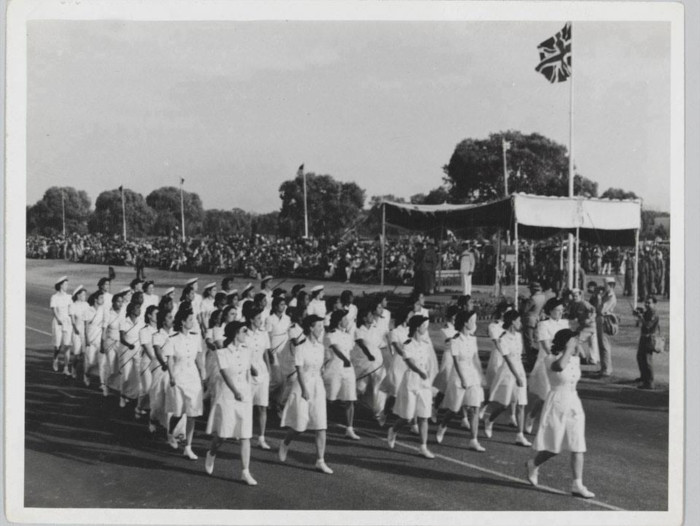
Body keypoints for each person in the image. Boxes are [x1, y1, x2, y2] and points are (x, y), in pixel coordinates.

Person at [526, 329, 594, 499]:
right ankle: (533, 464)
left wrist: (582, 340)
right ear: (565, 342)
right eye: (572, 341)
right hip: (556, 402)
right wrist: (570, 348)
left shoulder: (575, 359)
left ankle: (577, 484)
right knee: (554, 447)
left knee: (578, 444)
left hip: (573, 402)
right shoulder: (550, 358)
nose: (575, 343)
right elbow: (559, 367)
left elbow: (590, 360)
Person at [279, 314, 334, 474]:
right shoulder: (301, 347)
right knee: (299, 425)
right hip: (303, 386)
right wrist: (304, 389)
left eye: (322, 326)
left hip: (317, 385)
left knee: (321, 425)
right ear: (310, 327)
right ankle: (285, 443)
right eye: (318, 326)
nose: (321, 329)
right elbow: (299, 369)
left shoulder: (321, 347)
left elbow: (321, 368)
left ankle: (320, 460)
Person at [204, 321, 258, 486]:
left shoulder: (247, 351)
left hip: (245, 396)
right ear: (235, 333)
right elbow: (225, 374)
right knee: (222, 434)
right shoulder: (222, 353)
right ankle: (211, 453)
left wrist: (249, 392)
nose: (246, 334)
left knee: (245, 435)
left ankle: (245, 472)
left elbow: (249, 373)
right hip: (228, 395)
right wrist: (235, 392)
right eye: (244, 331)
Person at [387, 315, 437, 459]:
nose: (425, 328)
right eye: (423, 326)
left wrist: (427, 376)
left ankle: (423, 447)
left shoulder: (426, 345)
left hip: (424, 383)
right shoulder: (408, 344)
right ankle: (393, 430)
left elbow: (428, 364)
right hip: (411, 381)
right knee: (407, 417)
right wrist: (420, 372)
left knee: (424, 416)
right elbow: (409, 362)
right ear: (417, 327)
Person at [436, 310, 486, 452]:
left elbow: (476, 358)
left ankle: (473, 440)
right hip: (459, 374)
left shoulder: (473, 339)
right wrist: (463, 379)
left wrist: (481, 375)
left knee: (474, 407)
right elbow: (456, 361)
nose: (474, 324)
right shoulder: (455, 340)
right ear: (465, 322)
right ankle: (442, 426)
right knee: (455, 408)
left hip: (473, 374)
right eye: (472, 321)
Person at [482, 310, 531, 447]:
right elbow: (508, 360)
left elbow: (518, 358)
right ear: (512, 322)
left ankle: (519, 435)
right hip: (508, 372)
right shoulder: (502, 338)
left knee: (521, 404)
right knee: (504, 404)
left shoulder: (519, 336)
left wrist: (521, 375)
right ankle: (489, 420)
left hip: (519, 370)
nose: (520, 323)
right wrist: (516, 376)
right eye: (519, 320)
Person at [164, 307, 205, 459]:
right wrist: (172, 376)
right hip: (179, 376)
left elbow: (199, 358)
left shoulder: (196, 337)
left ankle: (188, 446)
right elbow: (169, 360)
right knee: (178, 412)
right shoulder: (172, 339)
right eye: (189, 319)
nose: (192, 322)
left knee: (192, 413)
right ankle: (170, 433)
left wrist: (203, 374)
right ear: (182, 322)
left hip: (192, 377)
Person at [527, 298, 570, 434]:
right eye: (557, 310)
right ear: (550, 311)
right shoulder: (543, 325)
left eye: (562, 310)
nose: (560, 313)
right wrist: (553, 359)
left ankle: (550, 424)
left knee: (560, 395)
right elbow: (545, 345)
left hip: (562, 362)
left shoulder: (565, 323)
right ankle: (532, 416)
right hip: (547, 361)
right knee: (545, 396)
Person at [323, 310, 360, 440]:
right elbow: (336, 349)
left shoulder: (348, 336)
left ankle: (349, 428)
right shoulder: (330, 335)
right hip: (334, 368)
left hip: (348, 369)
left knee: (350, 399)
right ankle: (320, 423)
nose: (347, 321)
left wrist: (351, 362)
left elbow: (352, 351)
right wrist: (345, 359)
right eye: (345, 319)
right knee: (330, 399)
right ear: (339, 321)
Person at [353, 305, 387, 423]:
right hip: (364, 364)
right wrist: (369, 355)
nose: (372, 317)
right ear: (363, 318)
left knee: (379, 387)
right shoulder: (358, 330)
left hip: (378, 363)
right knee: (361, 389)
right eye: (369, 315)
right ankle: (356, 405)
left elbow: (382, 344)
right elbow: (361, 344)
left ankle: (379, 412)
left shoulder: (375, 329)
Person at [246, 306, 272, 450]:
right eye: (258, 318)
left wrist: (268, 370)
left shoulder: (263, 334)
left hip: (262, 372)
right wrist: (251, 367)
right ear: (251, 320)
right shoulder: (244, 333)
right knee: (247, 405)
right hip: (248, 372)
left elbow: (266, 354)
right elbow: (242, 354)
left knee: (262, 406)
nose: (261, 321)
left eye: (261, 318)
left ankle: (261, 438)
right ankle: (246, 434)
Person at [119, 302, 145, 409]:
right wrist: (129, 345)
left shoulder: (141, 322)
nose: (139, 310)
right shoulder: (124, 322)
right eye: (137, 308)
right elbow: (122, 338)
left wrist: (143, 349)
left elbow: (143, 337)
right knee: (125, 374)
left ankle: (135, 396)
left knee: (138, 375)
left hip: (138, 351)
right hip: (126, 351)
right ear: (131, 310)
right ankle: (122, 395)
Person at [100, 292, 125, 397]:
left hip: (121, 344)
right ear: (113, 302)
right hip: (110, 343)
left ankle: (120, 390)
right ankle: (105, 385)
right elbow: (104, 330)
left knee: (121, 367)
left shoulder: (123, 314)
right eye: (118, 301)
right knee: (110, 366)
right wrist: (102, 344)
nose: (120, 304)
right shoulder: (108, 314)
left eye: (121, 301)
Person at [136, 305, 159, 419]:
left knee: (156, 390)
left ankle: (153, 418)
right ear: (149, 316)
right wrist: (157, 360)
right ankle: (139, 407)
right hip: (147, 363)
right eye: (156, 314)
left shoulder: (161, 330)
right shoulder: (144, 331)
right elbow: (146, 347)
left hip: (159, 364)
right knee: (147, 389)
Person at [83, 290, 107, 387]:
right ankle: (87, 374)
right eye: (101, 298)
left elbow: (105, 326)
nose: (103, 300)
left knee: (102, 363)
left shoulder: (104, 310)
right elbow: (86, 326)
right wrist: (87, 339)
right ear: (96, 299)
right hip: (91, 338)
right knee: (91, 362)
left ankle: (102, 383)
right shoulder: (89, 310)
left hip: (100, 338)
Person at [521, 282, 546, 371]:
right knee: (535, 340)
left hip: (529, 319)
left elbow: (524, 309)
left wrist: (523, 302)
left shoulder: (532, 299)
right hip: (537, 319)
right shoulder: (542, 297)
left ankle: (531, 361)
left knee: (528, 341)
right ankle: (536, 358)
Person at [596, 277, 618, 377]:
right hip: (600, 319)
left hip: (605, 320)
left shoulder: (611, 297)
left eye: (606, 285)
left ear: (611, 285)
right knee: (601, 344)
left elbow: (601, 310)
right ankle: (604, 366)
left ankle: (607, 369)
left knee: (604, 344)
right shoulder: (606, 295)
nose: (604, 286)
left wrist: (600, 298)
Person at [637, 296, 660, 390]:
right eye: (645, 302)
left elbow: (647, 326)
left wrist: (641, 318)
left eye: (649, 303)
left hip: (649, 338)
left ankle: (650, 382)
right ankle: (644, 377)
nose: (646, 304)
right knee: (640, 357)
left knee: (647, 360)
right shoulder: (647, 312)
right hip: (643, 337)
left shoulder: (654, 314)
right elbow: (641, 324)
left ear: (654, 304)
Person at [50, 276, 72, 374]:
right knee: (57, 345)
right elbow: (54, 310)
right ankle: (55, 359)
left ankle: (66, 367)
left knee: (67, 345)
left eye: (67, 284)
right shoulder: (54, 297)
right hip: (58, 322)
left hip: (67, 322)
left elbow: (71, 309)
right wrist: (59, 320)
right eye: (65, 284)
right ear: (60, 285)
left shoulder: (69, 297)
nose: (67, 286)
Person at [68, 285, 89, 380]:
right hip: (77, 332)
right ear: (78, 295)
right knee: (77, 354)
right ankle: (73, 368)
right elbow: (72, 320)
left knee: (85, 354)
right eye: (83, 294)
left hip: (86, 331)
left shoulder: (86, 305)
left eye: (85, 294)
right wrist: (76, 329)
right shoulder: (73, 306)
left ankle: (85, 374)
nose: (85, 296)